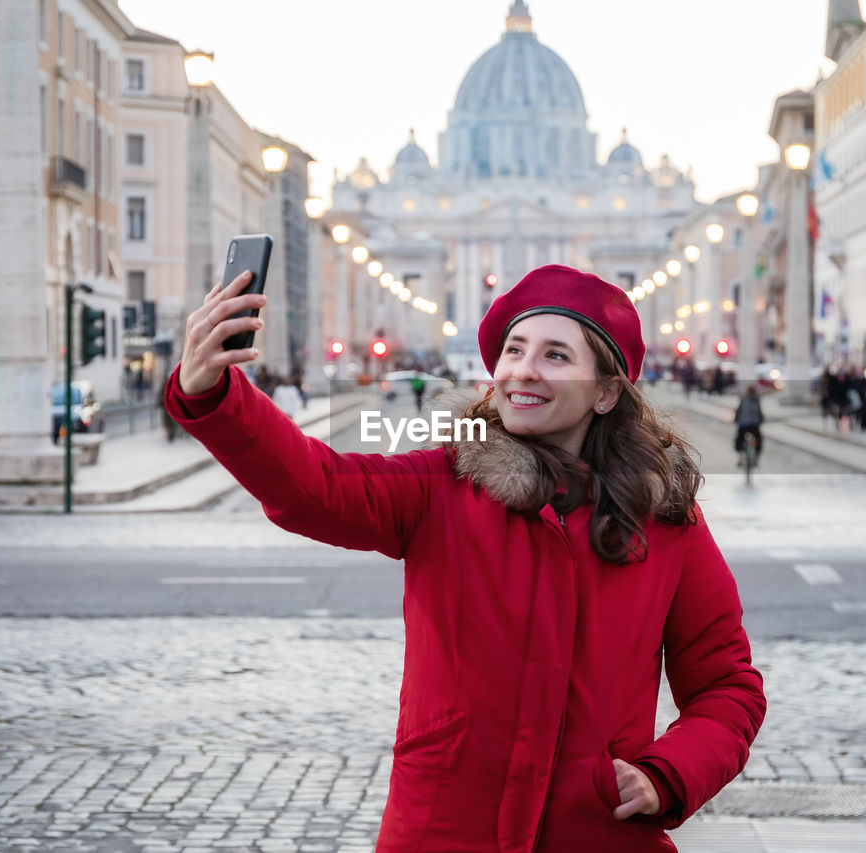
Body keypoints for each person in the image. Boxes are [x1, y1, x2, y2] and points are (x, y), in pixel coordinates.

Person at [165, 264, 766, 851]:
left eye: (556, 356)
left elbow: (727, 685)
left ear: (607, 392)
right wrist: (214, 394)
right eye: (514, 350)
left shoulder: (666, 523)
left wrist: (666, 776)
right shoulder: (441, 483)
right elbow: (315, 484)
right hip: (441, 829)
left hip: (597, 832)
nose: (522, 372)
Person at [733, 385, 764, 463]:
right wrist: (761, 421)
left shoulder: (743, 399)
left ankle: (740, 456)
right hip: (754, 425)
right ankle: (756, 457)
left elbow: (738, 410)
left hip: (743, 425)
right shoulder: (757, 399)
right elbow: (759, 412)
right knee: (758, 439)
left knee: (739, 439)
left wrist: (736, 420)